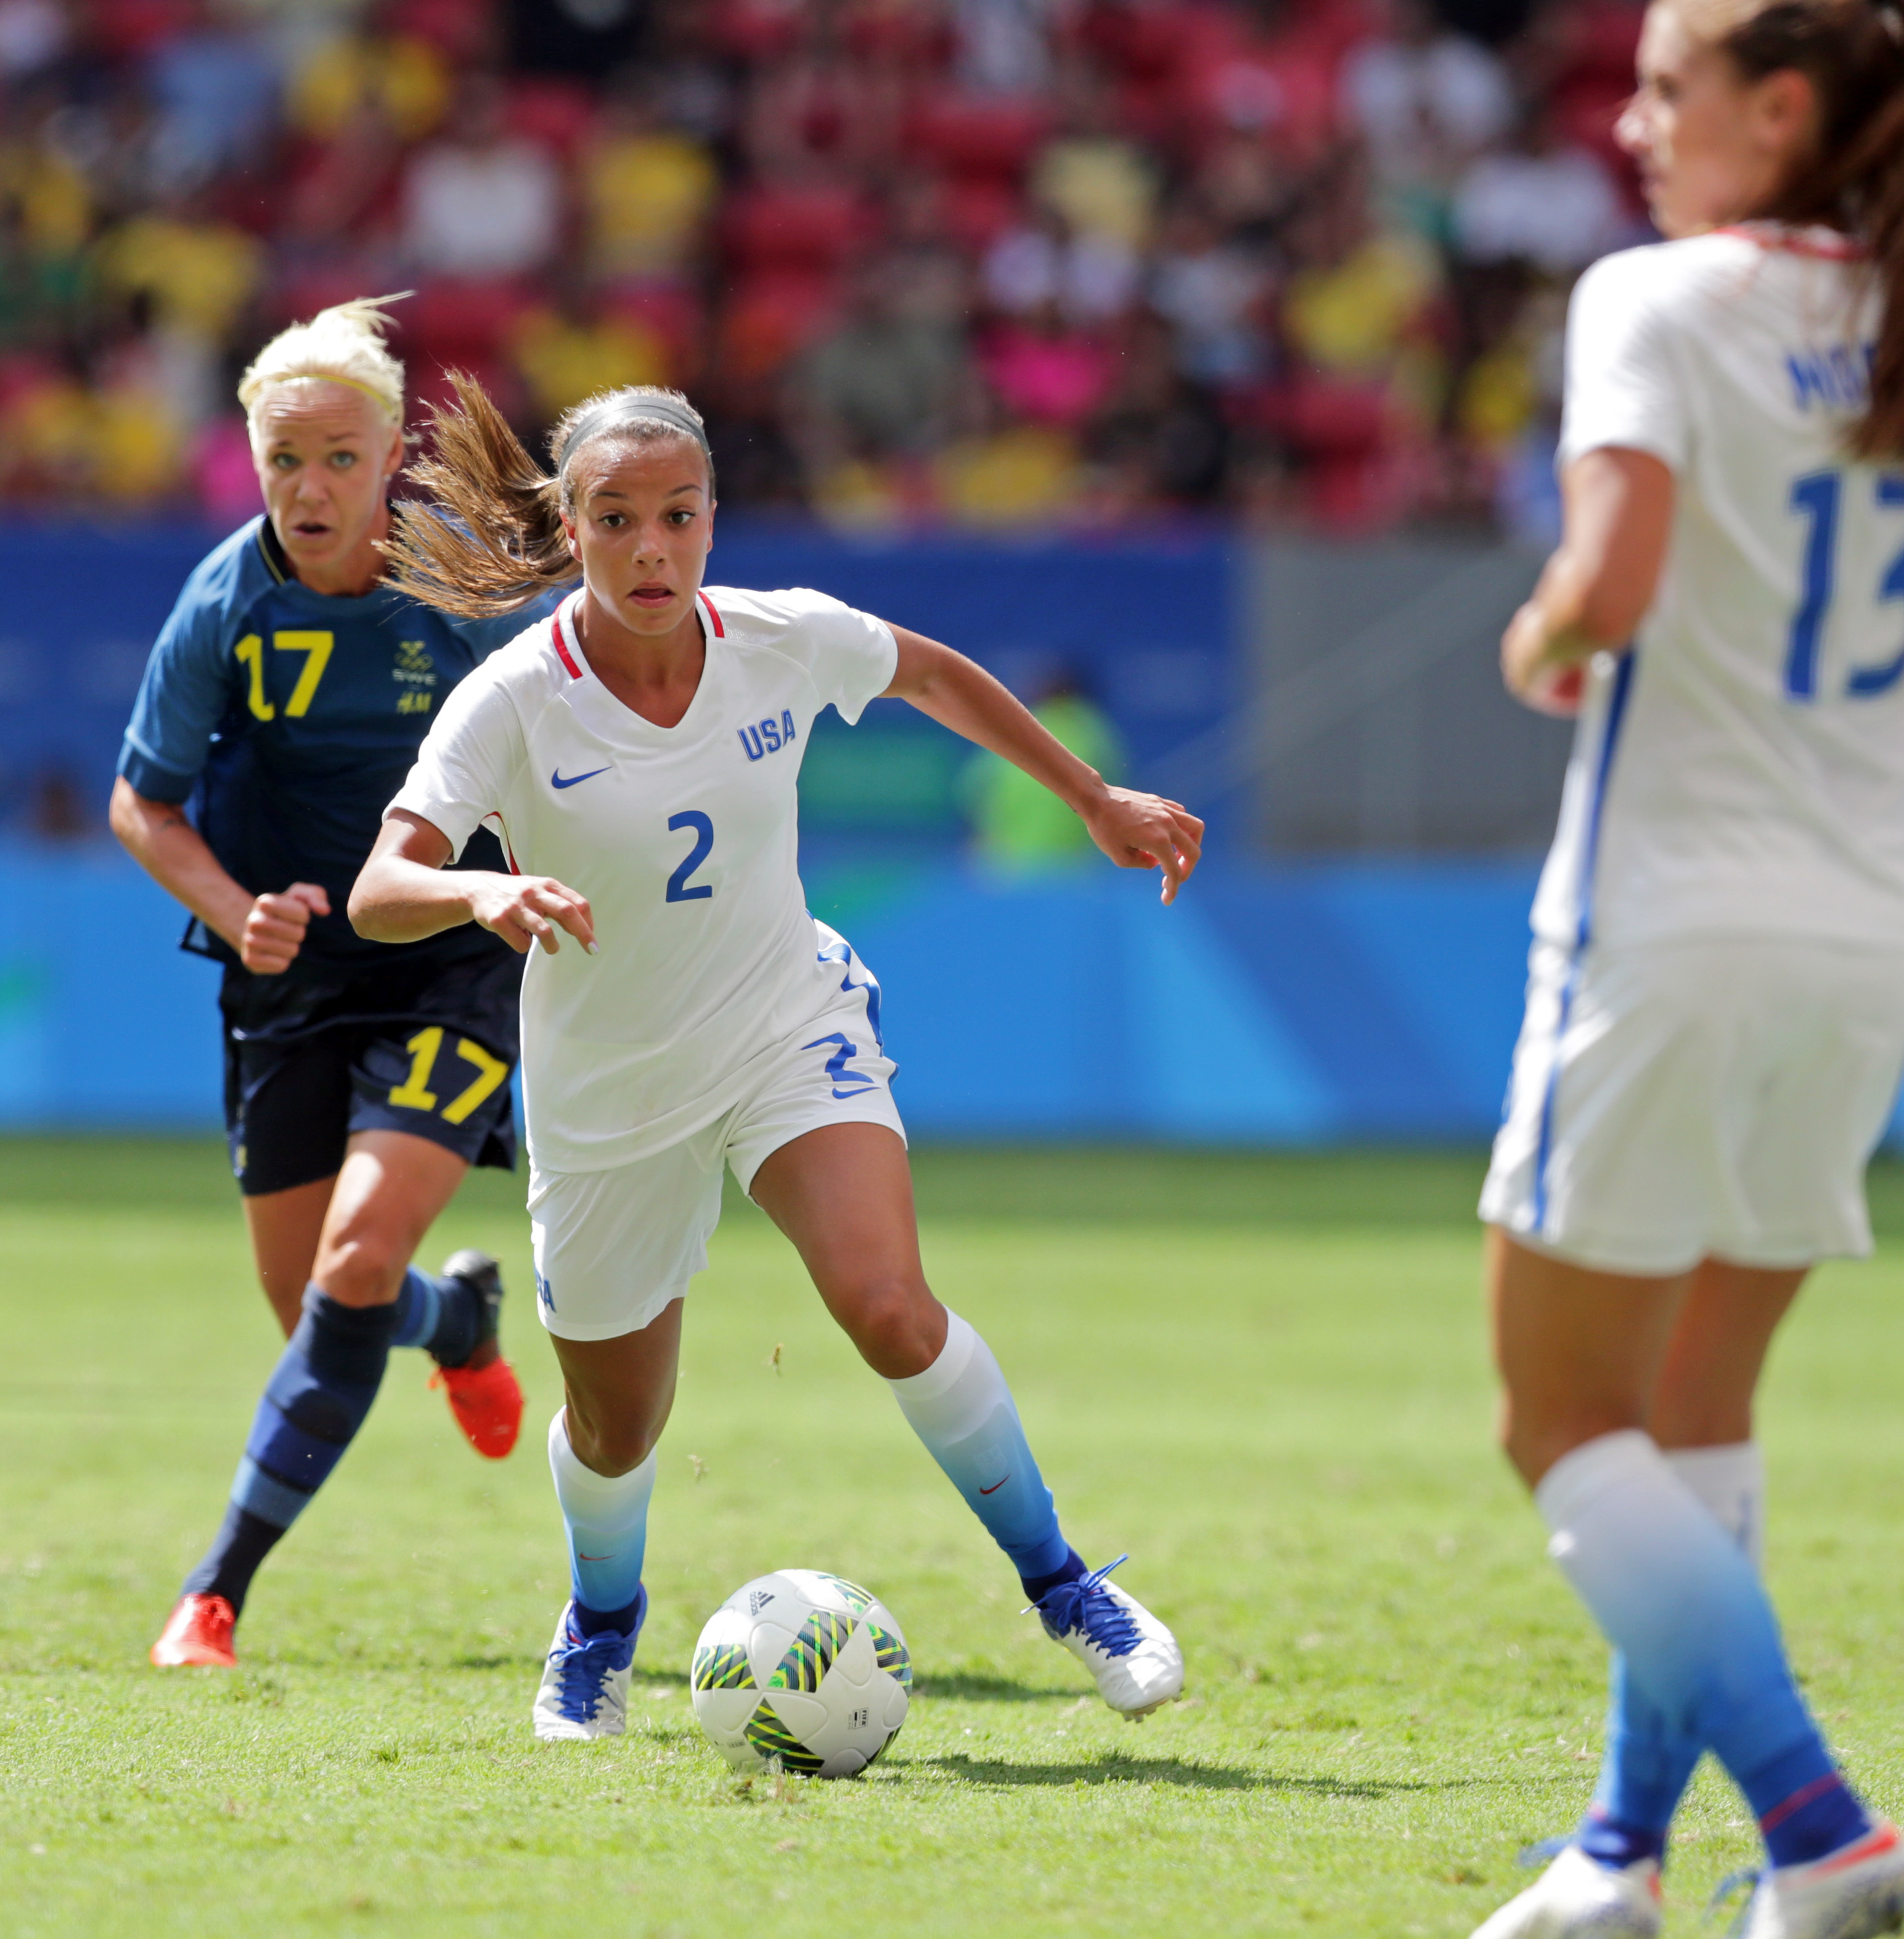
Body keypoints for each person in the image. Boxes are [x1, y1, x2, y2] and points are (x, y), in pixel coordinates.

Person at [1466, 5, 1904, 1936]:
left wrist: (1537, 636)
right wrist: (1857, 699)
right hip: (1860, 927)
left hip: (1667, 919)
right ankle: (1615, 1859)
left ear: (1781, 107)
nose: (1635, 126)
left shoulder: (1651, 300)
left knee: (1556, 1422)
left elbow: (1609, 584)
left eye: (1666, 88)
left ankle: (1819, 1826)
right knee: (1691, 1420)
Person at [362, 377, 1208, 1742]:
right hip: (606, 1092)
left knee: (887, 1306)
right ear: (568, 525)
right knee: (618, 1424)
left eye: (679, 517)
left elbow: (932, 673)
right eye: (618, 518)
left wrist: (1093, 798)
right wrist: (476, 895)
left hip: (780, 1026)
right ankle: (599, 1625)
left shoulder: (783, 639)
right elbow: (377, 882)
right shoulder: (513, 699)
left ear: (711, 520)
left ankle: (1068, 1586)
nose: (652, 549)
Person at [109, 297, 530, 1673]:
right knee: (321, 1308)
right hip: (288, 980)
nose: (309, 487)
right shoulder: (223, 602)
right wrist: (239, 916)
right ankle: (453, 1318)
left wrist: (513, 892)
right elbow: (142, 803)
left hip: (449, 964)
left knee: (351, 1261)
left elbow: (555, 759)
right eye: (283, 458)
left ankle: (214, 1590)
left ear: (394, 450)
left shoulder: (455, 592)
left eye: (340, 457)